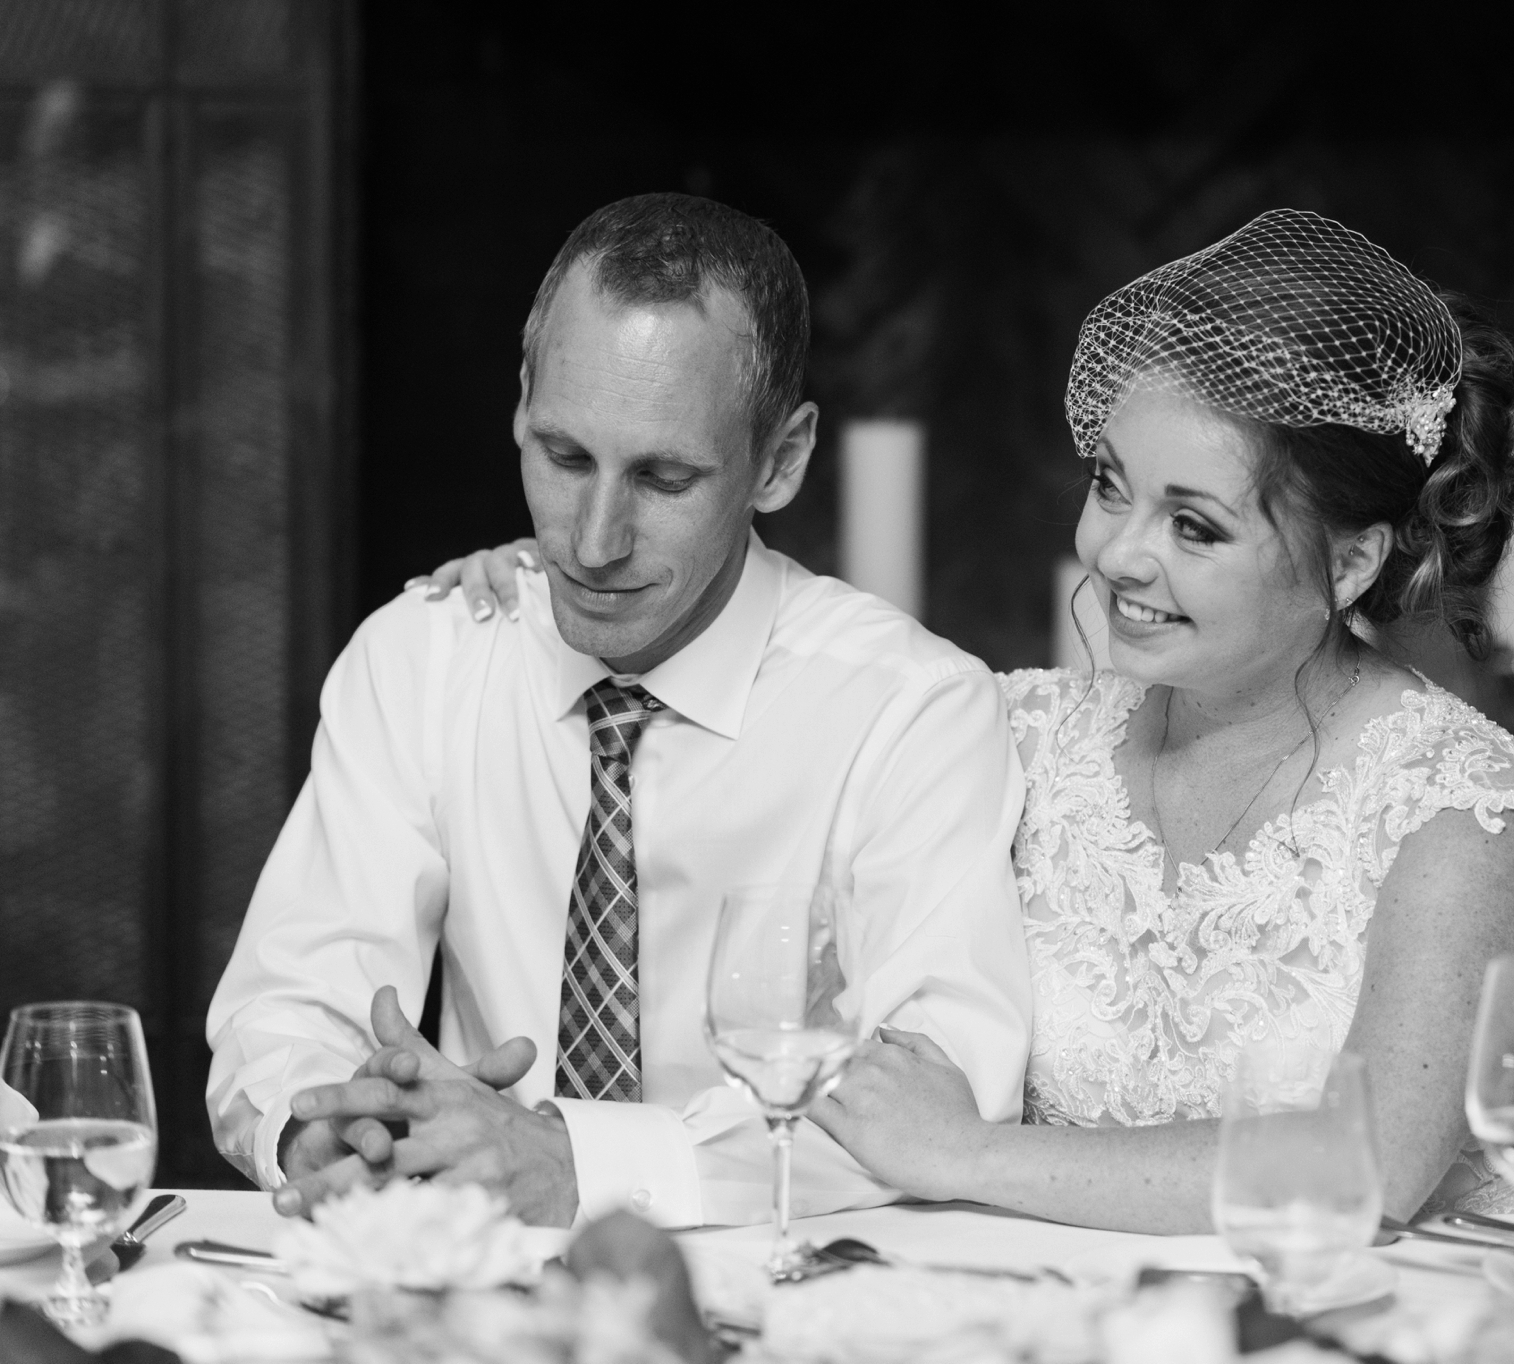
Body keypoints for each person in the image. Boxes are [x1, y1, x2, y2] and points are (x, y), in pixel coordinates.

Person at [435, 209, 1514, 1234]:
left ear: (1350, 561)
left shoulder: (1459, 807)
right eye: (1111, 484)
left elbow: (1369, 1167)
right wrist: (578, 594)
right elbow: (780, 686)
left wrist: (965, 1156)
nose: (1116, 551)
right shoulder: (1017, 735)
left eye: (1195, 524)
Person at [205, 193, 1033, 1230]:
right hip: (469, 1289)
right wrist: (319, 1124)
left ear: (779, 460)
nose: (592, 542)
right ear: (518, 403)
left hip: (784, 1290)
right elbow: (289, 998)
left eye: (662, 477)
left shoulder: (910, 710)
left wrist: (576, 1160)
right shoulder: (421, 657)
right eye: (562, 456)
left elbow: (946, 1080)